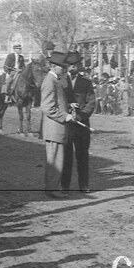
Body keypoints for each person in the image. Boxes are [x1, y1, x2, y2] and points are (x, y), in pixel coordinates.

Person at [40, 44, 73, 199]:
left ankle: (52, 188)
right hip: (55, 127)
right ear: (55, 67)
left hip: (56, 128)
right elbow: (47, 107)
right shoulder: (49, 81)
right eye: (62, 67)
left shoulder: (55, 80)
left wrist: (68, 107)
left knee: (56, 159)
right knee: (55, 160)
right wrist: (64, 116)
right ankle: (52, 189)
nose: (65, 70)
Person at [61, 51, 96, 194]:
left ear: (79, 65)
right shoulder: (61, 81)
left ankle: (84, 185)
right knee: (66, 156)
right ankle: (65, 186)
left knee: (82, 155)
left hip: (82, 126)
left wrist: (81, 116)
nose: (72, 68)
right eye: (69, 65)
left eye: (74, 65)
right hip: (67, 125)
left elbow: (91, 102)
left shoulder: (86, 82)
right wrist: (68, 108)